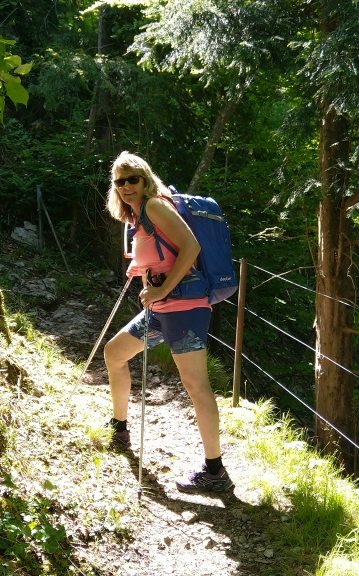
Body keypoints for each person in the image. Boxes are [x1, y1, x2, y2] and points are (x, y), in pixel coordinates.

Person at [102, 151, 233, 494]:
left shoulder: (155, 206)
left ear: (145, 180)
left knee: (196, 385)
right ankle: (118, 427)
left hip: (184, 308)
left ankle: (214, 471)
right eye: (120, 181)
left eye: (133, 179)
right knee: (114, 353)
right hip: (163, 310)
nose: (127, 186)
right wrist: (155, 290)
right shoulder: (138, 216)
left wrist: (163, 291)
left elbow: (190, 246)